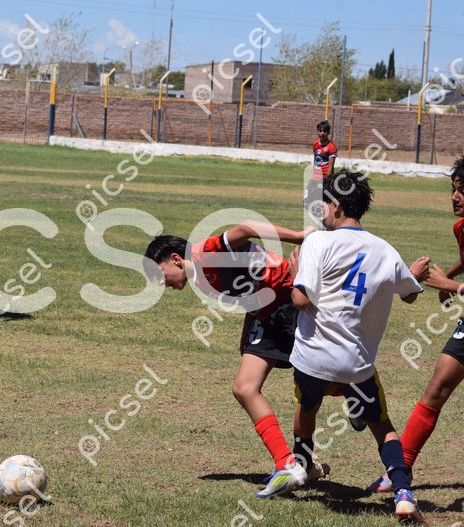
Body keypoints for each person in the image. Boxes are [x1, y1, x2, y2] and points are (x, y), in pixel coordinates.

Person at [143, 221, 329, 499]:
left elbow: (245, 228)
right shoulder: (199, 277)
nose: (161, 282)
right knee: (245, 387)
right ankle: (289, 464)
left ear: (175, 259)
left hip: (290, 302)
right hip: (266, 316)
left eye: (160, 273)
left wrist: (299, 236)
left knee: (317, 383)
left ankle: (356, 397)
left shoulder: (205, 253)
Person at [285, 170, 429, 519]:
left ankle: (302, 465)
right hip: (356, 364)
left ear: (336, 206)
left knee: (307, 408)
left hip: (313, 359)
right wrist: (411, 273)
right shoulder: (386, 250)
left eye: (322, 204)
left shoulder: (318, 242)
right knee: (383, 426)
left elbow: (301, 300)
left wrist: (294, 275)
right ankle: (403, 492)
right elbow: (409, 294)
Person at [370, 155, 464, 493]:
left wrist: (448, 285)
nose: (455, 197)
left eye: (462, 190)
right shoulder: (461, 227)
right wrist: (450, 278)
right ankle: (400, 469)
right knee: (436, 389)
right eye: (453, 189)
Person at [305, 120, 337, 211]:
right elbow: (315, 159)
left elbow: (331, 166)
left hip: (324, 177)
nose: (322, 133)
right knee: (306, 201)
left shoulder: (331, 147)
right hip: (315, 177)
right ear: (317, 131)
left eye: (324, 131)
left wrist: (327, 180)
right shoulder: (315, 144)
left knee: (326, 201)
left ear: (328, 132)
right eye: (320, 131)